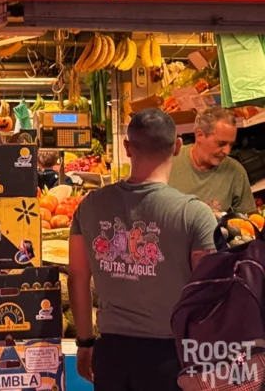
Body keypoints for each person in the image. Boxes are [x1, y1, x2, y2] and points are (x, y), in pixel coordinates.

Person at [69, 108, 217, 390]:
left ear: (127, 147)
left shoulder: (89, 206)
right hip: (172, 354)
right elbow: (207, 293)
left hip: (111, 352)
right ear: (177, 146)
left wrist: (85, 341)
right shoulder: (194, 214)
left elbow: (77, 278)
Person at [168, 107, 255, 215]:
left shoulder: (236, 172)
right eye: (221, 144)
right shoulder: (168, 161)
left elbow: (249, 220)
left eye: (231, 145)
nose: (227, 151)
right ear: (199, 135)